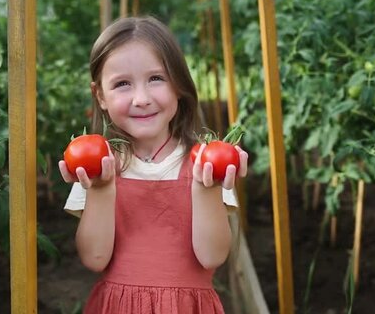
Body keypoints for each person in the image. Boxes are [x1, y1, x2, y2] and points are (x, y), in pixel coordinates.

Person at [59, 16, 248, 314]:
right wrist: (101, 190)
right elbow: (94, 259)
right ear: (100, 96)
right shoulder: (97, 165)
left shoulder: (205, 162)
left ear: (179, 85)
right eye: (122, 84)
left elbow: (212, 256)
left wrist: (205, 189)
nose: (142, 98)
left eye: (156, 79)